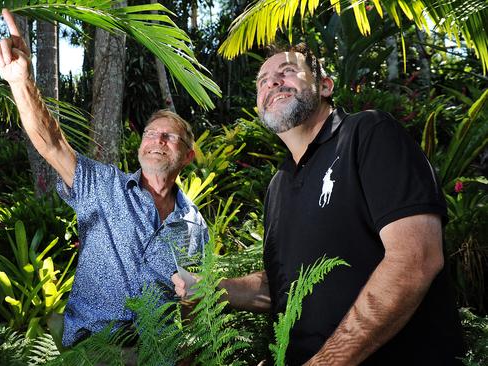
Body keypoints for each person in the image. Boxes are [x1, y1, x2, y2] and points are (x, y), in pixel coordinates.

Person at [173, 43, 463, 365]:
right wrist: (210, 289)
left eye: (288, 72)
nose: (272, 82)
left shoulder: (368, 133)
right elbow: (280, 287)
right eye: (262, 80)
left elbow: (416, 258)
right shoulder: (278, 186)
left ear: (325, 86)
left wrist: (326, 361)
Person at [0, 9, 208, 348]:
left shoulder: (196, 227)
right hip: (92, 352)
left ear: (188, 157)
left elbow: (194, 304)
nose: (157, 141)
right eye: (150, 134)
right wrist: (21, 82)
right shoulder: (104, 186)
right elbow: (52, 143)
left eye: (170, 137)